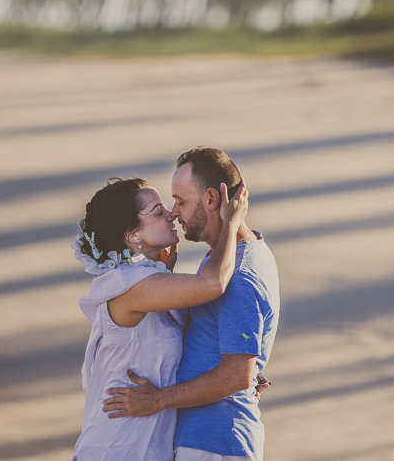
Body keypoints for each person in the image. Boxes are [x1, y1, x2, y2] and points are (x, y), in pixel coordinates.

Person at [102, 147, 281, 461]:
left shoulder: (237, 274)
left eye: (180, 201)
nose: (174, 212)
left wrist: (158, 400)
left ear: (212, 200)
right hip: (208, 441)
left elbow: (237, 374)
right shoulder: (225, 259)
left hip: (216, 443)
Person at [72, 175, 248, 461]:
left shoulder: (150, 283)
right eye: (157, 211)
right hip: (116, 448)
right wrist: (231, 223)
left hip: (147, 448)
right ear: (132, 234)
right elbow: (213, 283)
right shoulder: (129, 285)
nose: (172, 214)